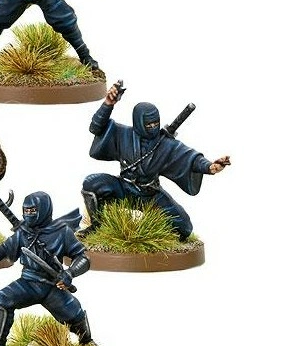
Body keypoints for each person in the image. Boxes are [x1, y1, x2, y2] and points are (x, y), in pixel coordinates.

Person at [83, 83, 231, 240]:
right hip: (123, 188)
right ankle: (97, 225)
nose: (153, 127)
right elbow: (96, 128)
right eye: (148, 124)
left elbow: (189, 157)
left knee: (185, 227)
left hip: (150, 195)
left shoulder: (166, 144)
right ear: (138, 122)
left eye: (155, 123)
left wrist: (209, 167)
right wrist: (108, 104)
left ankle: (156, 237)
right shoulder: (122, 134)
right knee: (91, 183)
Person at [0, 192, 93, 346]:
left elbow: (83, 258)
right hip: (28, 283)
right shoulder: (22, 232)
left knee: (74, 313)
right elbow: (2, 250)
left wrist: (70, 273)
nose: (28, 214)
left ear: (44, 209)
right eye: (26, 211)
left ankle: (87, 342)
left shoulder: (62, 232)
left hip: (53, 286)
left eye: (32, 210)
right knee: (2, 299)